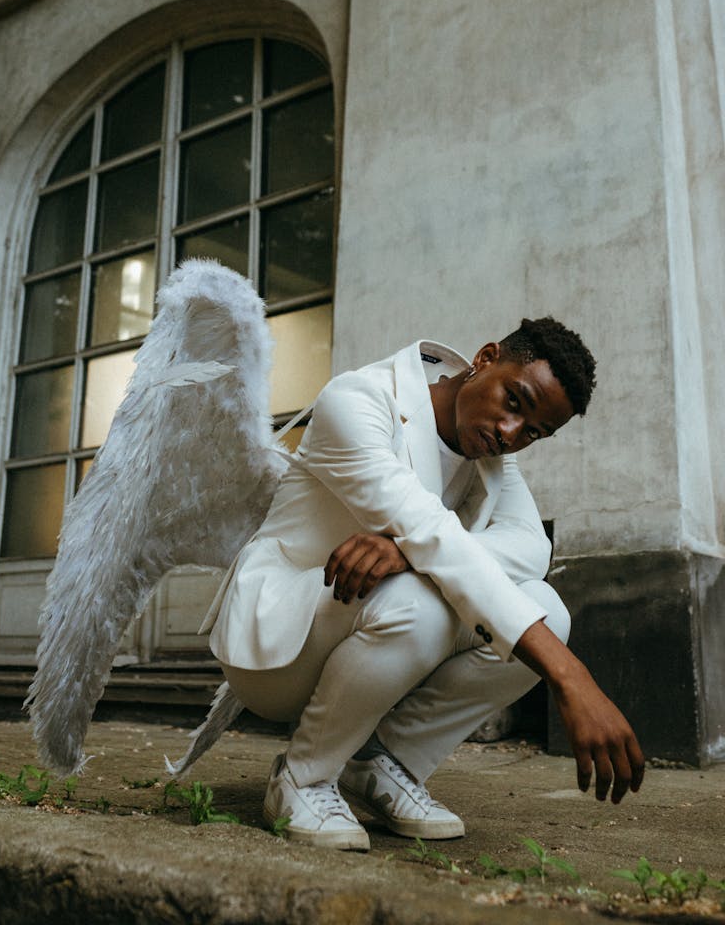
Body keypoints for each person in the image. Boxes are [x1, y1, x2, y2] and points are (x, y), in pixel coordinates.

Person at [203, 318, 645, 850]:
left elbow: (531, 547)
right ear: (484, 359)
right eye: (514, 401)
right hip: (280, 638)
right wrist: (571, 678)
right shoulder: (360, 399)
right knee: (422, 603)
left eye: (533, 432)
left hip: (370, 625)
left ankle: (381, 761)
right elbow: (432, 534)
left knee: (548, 607)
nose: (511, 432)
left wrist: (402, 554)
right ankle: (302, 776)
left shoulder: (490, 456)